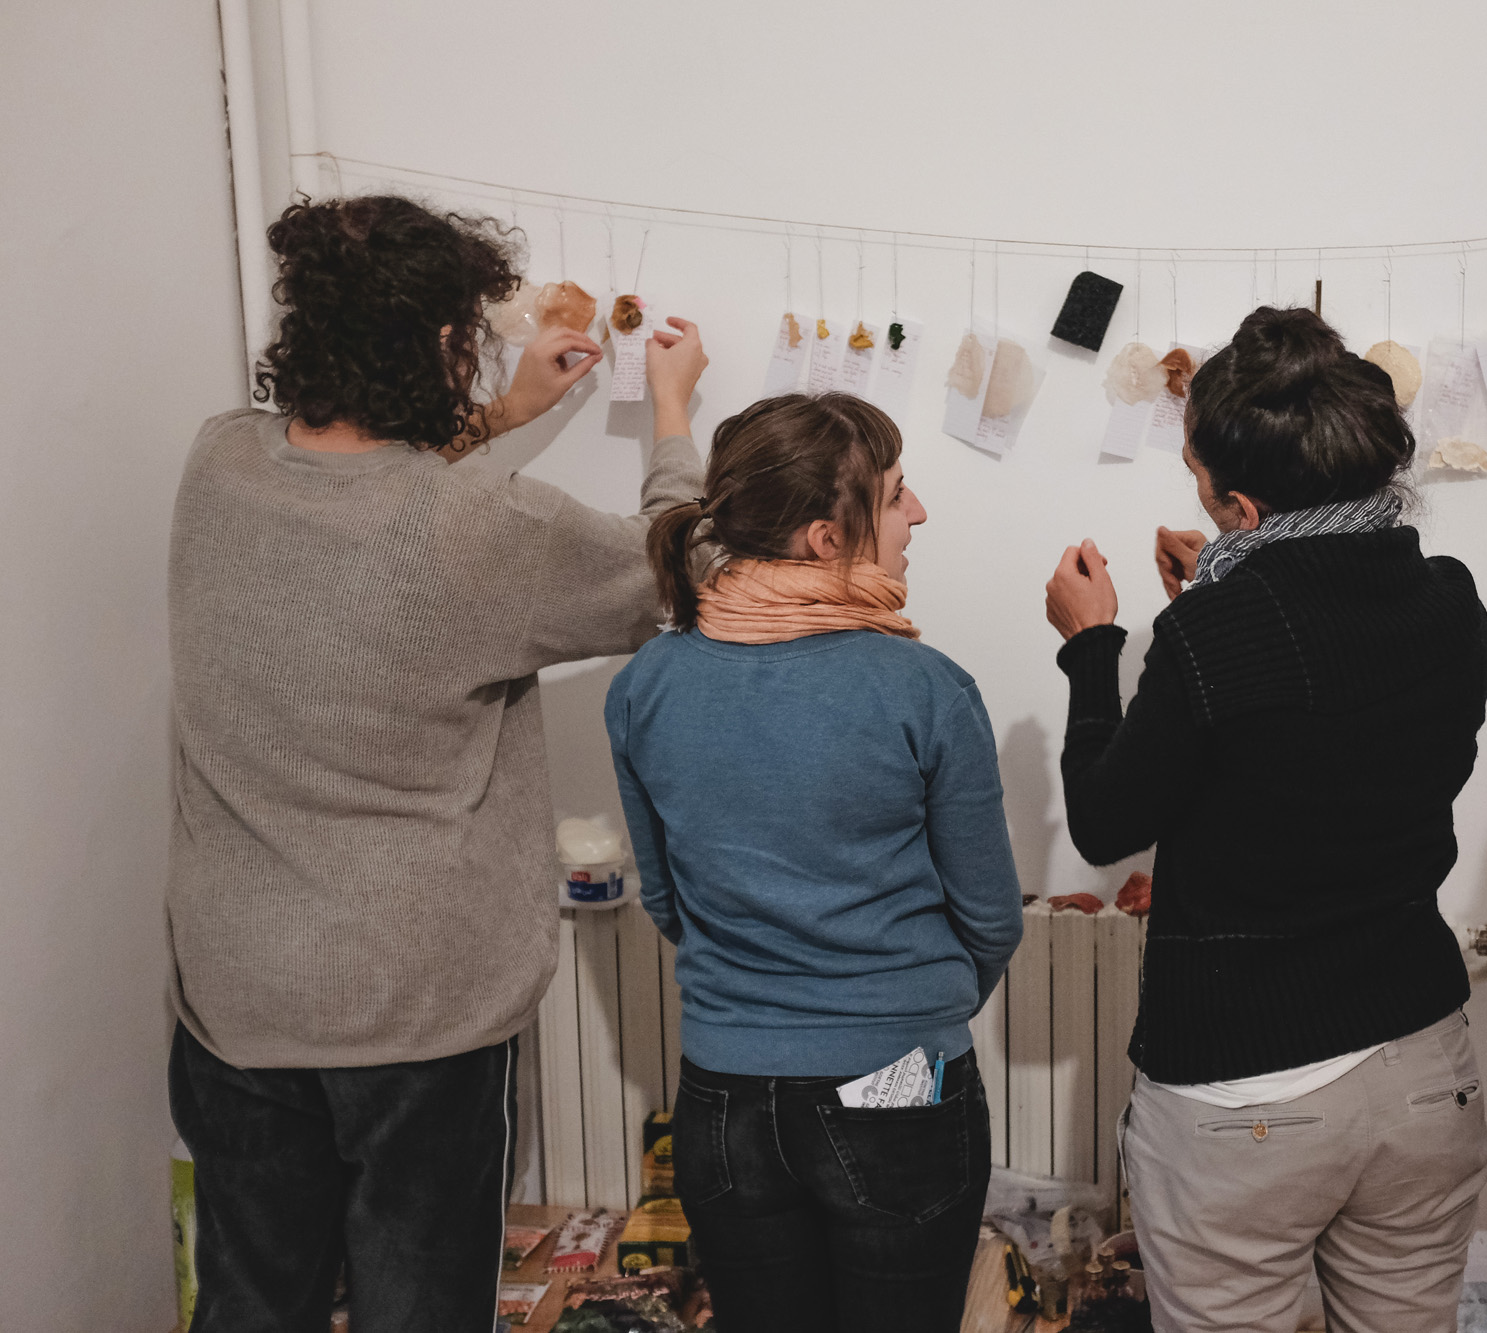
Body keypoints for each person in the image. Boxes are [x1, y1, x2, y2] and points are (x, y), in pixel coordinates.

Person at [166, 195, 708, 1332]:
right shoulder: (484, 534)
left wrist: (505, 412)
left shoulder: (218, 464)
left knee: (251, 1305)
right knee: (419, 1307)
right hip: (413, 1014)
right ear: (445, 344)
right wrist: (670, 416)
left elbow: (366, 497)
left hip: (236, 993)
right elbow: (683, 567)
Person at [1043, 306, 1487, 1333]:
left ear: (1238, 503)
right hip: (1422, 1065)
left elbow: (1104, 820)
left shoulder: (1212, 633)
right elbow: (1351, 736)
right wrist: (1214, 590)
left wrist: (1091, 648)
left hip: (1244, 1090)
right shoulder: (1446, 599)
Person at [606, 392, 1023, 1332]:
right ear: (826, 538)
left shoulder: (647, 685)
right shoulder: (926, 687)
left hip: (721, 1100)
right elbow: (992, 920)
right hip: (901, 1088)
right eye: (896, 495)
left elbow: (668, 901)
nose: (917, 514)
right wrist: (907, 1012)